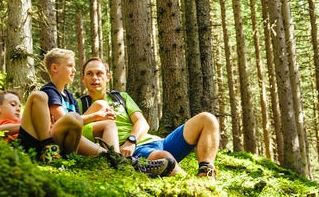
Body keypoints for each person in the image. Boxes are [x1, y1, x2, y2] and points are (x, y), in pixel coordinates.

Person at [79, 57, 220, 178]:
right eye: (89, 74)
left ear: (108, 77)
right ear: (83, 78)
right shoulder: (79, 104)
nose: (94, 78)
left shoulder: (121, 97)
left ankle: (206, 173)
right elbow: (76, 132)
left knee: (207, 119)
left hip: (156, 142)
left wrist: (132, 139)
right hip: (136, 152)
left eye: (99, 73)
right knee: (163, 156)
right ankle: (198, 187)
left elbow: (142, 123)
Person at [39, 48, 121, 158]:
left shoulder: (69, 96)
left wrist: (102, 117)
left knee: (109, 124)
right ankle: (116, 159)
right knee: (108, 156)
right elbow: (67, 121)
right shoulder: (49, 91)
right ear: (54, 68)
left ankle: (115, 157)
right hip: (57, 141)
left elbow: (79, 124)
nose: (74, 70)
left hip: (72, 137)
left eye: (74, 66)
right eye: (69, 66)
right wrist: (96, 116)